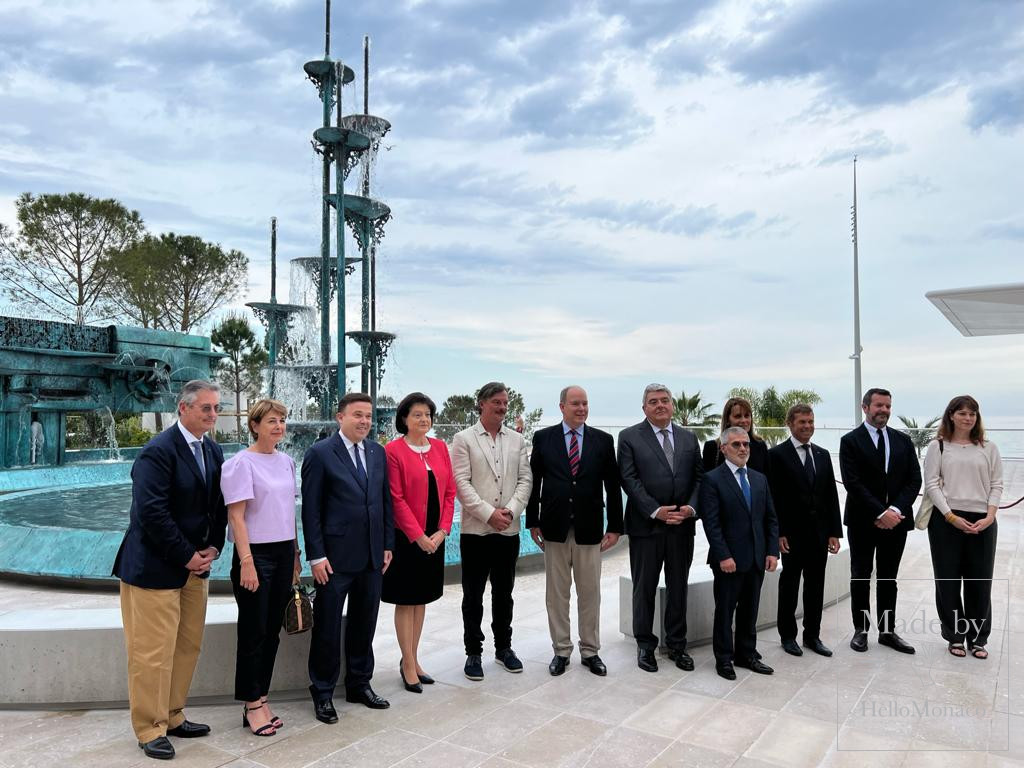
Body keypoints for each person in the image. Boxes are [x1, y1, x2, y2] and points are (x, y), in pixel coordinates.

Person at [112, 380, 227, 761]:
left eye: (216, 408)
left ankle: (173, 715)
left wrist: (214, 545)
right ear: (183, 408)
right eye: (205, 408)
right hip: (155, 568)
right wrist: (186, 555)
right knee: (151, 654)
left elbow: (218, 506)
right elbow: (151, 513)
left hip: (196, 568)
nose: (213, 415)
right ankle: (149, 728)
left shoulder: (212, 449)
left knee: (187, 645)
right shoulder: (156, 453)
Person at [302, 392, 394, 723]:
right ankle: (323, 692)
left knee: (364, 622)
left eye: (368, 416)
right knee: (327, 627)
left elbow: (384, 502)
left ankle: (359, 684)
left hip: (371, 556)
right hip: (334, 560)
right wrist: (316, 555)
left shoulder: (377, 453)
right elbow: (310, 511)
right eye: (357, 415)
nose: (364, 421)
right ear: (340, 417)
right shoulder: (320, 454)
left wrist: (387, 543)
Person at [526, 386, 623, 677]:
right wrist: (533, 521)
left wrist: (615, 527)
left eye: (585, 404)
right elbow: (534, 483)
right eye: (575, 403)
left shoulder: (603, 441)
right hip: (554, 528)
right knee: (556, 595)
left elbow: (613, 486)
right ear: (562, 406)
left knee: (590, 593)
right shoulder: (543, 439)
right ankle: (561, 650)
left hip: (589, 528)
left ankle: (591, 651)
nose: (581, 408)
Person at [220, 399, 300, 736]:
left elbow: (288, 512)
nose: (278, 426)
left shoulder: (286, 462)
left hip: (283, 553)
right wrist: (247, 562)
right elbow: (236, 517)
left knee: (272, 631)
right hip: (256, 555)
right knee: (253, 631)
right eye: (271, 421)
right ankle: (251, 704)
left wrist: (296, 555)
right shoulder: (240, 463)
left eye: (282, 420)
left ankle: (262, 696)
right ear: (254, 425)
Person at [618, 383, 704, 673]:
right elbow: (629, 479)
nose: (660, 405)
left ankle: (677, 645)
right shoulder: (629, 437)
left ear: (672, 406)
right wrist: (656, 511)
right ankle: (645, 646)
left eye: (664, 400)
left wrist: (690, 509)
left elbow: (699, 479)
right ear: (644, 408)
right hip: (647, 527)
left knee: (679, 586)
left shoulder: (689, 438)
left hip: (681, 526)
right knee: (644, 588)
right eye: (653, 401)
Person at [451, 381, 533, 681]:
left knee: (504, 593)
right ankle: (473, 651)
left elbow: (525, 480)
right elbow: (462, 484)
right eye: (496, 402)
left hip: (508, 530)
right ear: (482, 404)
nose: (502, 407)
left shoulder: (517, 441)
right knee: (472, 595)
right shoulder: (463, 439)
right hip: (476, 531)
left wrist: (510, 511)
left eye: (505, 403)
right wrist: (489, 514)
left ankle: (504, 649)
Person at [382, 392, 456, 692]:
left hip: (435, 536)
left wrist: (442, 531)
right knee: (406, 599)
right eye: (417, 414)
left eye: (427, 414)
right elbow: (395, 498)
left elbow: (450, 492)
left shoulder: (439, 447)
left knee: (422, 598)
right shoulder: (393, 451)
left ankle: (413, 658)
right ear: (404, 419)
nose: (423, 419)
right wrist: (418, 537)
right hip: (407, 537)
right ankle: (408, 663)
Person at [840, 387, 922, 654]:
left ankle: (887, 632)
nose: (884, 411)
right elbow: (853, 482)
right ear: (865, 408)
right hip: (864, 522)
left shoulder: (903, 440)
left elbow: (914, 480)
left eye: (887, 406)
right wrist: (880, 512)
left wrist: (895, 510)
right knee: (861, 576)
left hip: (896, 522)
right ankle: (861, 630)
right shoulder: (850, 441)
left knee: (889, 578)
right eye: (878, 406)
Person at [924, 395, 1002, 660]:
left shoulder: (988, 447)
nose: (968, 418)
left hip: (983, 520)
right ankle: (955, 636)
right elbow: (932, 484)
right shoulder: (939, 446)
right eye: (963, 413)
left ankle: (978, 638)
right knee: (947, 580)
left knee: (979, 582)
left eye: (973, 414)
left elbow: (997, 484)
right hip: (947, 521)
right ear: (951, 415)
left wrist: (990, 517)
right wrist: (951, 517)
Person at [700, 426, 780, 679]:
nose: (743, 449)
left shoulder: (760, 479)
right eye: (736, 445)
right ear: (724, 448)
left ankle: (746, 654)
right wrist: (723, 555)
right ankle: (723, 659)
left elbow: (770, 519)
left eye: (746, 444)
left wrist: (771, 551)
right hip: (728, 561)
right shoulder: (712, 479)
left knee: (750, 610)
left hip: (756, 558)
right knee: (725, 611)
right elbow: (711, 524)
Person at [767, 404, 842, 657]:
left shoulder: (821, 454)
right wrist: (778, 533)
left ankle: (812, 636)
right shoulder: (776, 455)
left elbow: (831, 495)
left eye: (810, 421)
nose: (807, 426)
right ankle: (788, 636)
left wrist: (834, 532)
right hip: (791, 535)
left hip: (819, 535)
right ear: (790, 424)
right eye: (802, 422)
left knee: (815, 586)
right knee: (789, 585)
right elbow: (773, 498)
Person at [702, 396, 768, 474]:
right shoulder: (712, 448)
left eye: (747, 416)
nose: (743, 420)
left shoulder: (760, 446)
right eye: (738, 416)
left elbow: (767, 481)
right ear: (727, 420)